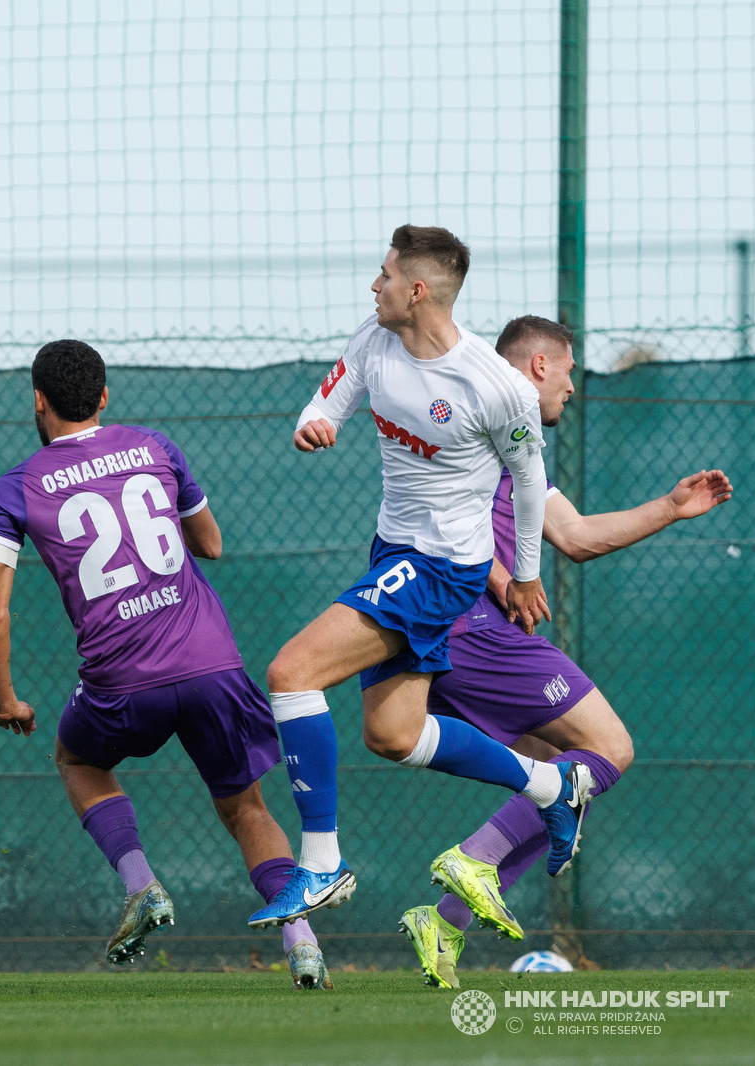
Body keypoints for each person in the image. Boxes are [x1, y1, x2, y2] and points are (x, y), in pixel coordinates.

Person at [251, 226, 593, 930]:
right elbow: (327, 401)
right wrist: (313, 425)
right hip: (394, 553)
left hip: (442, 566)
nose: (372, 286)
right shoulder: (374, 341)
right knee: (394, 735)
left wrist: (526, 576)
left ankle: (319, 863)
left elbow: (529, 484)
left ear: (417, 290)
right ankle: (548, 785)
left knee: (291, 673)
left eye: (383, 276)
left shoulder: (495, 385)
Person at [0, 339, 335, 989]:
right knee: (247, 809)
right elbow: (212, 544)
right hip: (212, 668)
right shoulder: (155, 448)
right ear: (105, 396)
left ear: (38, 400)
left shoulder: (16, 488)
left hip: (120, 684)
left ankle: (142, 885)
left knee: (78, 759)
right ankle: (301, 941)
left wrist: (6, 700)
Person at [400, 315, 732, 987]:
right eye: (572, 371)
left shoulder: (513, 439)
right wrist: (498, 575)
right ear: (541, 365)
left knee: (560, 777)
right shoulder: (482, 420)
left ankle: (444, 923)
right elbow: (424, 514)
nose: (575, 389)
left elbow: (576, 535)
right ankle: (472, 858)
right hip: (471, 630)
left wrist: (669, 506)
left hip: (456, 634)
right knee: (610, 749)